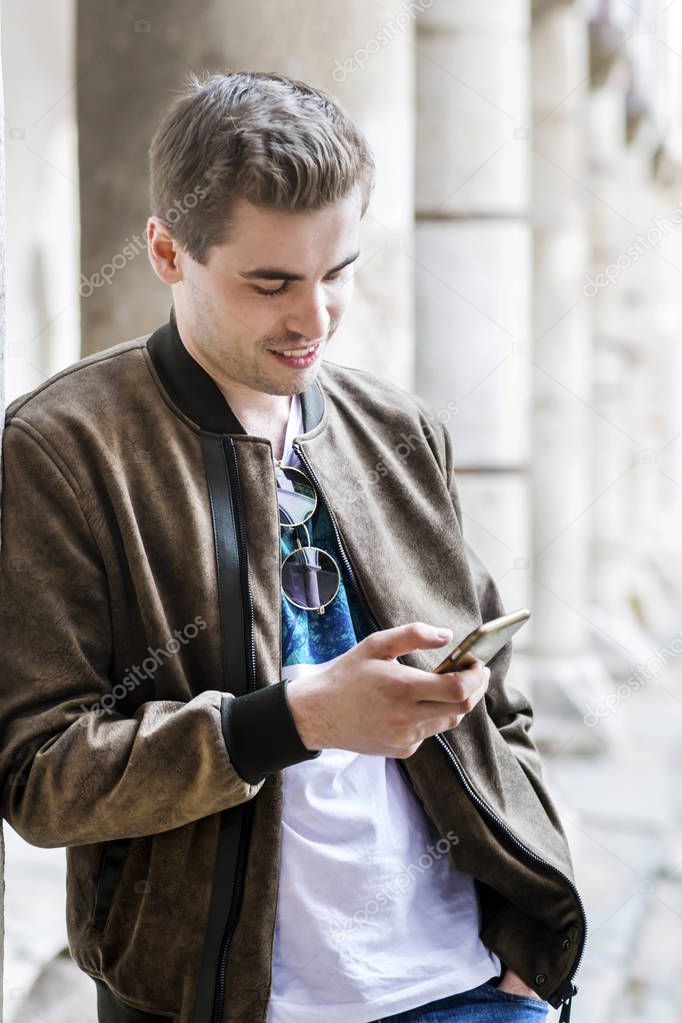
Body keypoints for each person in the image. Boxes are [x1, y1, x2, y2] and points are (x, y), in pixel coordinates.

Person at [0, 71, 585, 1023]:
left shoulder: (398, 427)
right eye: (270, 282)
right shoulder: (63, 450)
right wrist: (293, 719)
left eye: (339, 272)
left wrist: (528, 931)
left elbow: (504, 712)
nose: (314, 319)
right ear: (166, 250)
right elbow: (40, 777)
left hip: (474, 987)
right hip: (225, 1002)